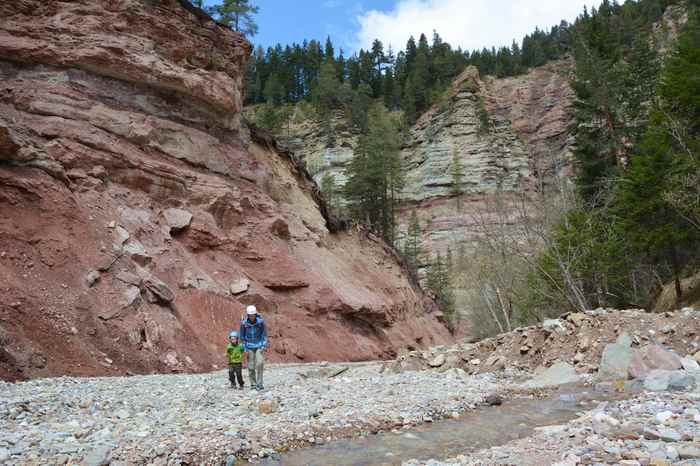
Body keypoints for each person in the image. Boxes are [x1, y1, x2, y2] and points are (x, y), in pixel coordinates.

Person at [239, 305, 267, 390]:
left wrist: (263, 345)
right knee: (251, 366)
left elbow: (264, 334)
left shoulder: (260, 322)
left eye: (253, 315)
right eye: (250, 315)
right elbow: (242, 336)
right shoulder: (244, 324)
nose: (252, 316)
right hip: (249, 346)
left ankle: (260, 384)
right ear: (248, 315)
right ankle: (253, 384)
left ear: (255, 314)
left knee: (260, 363)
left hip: (259, 345)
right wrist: (245, 348)